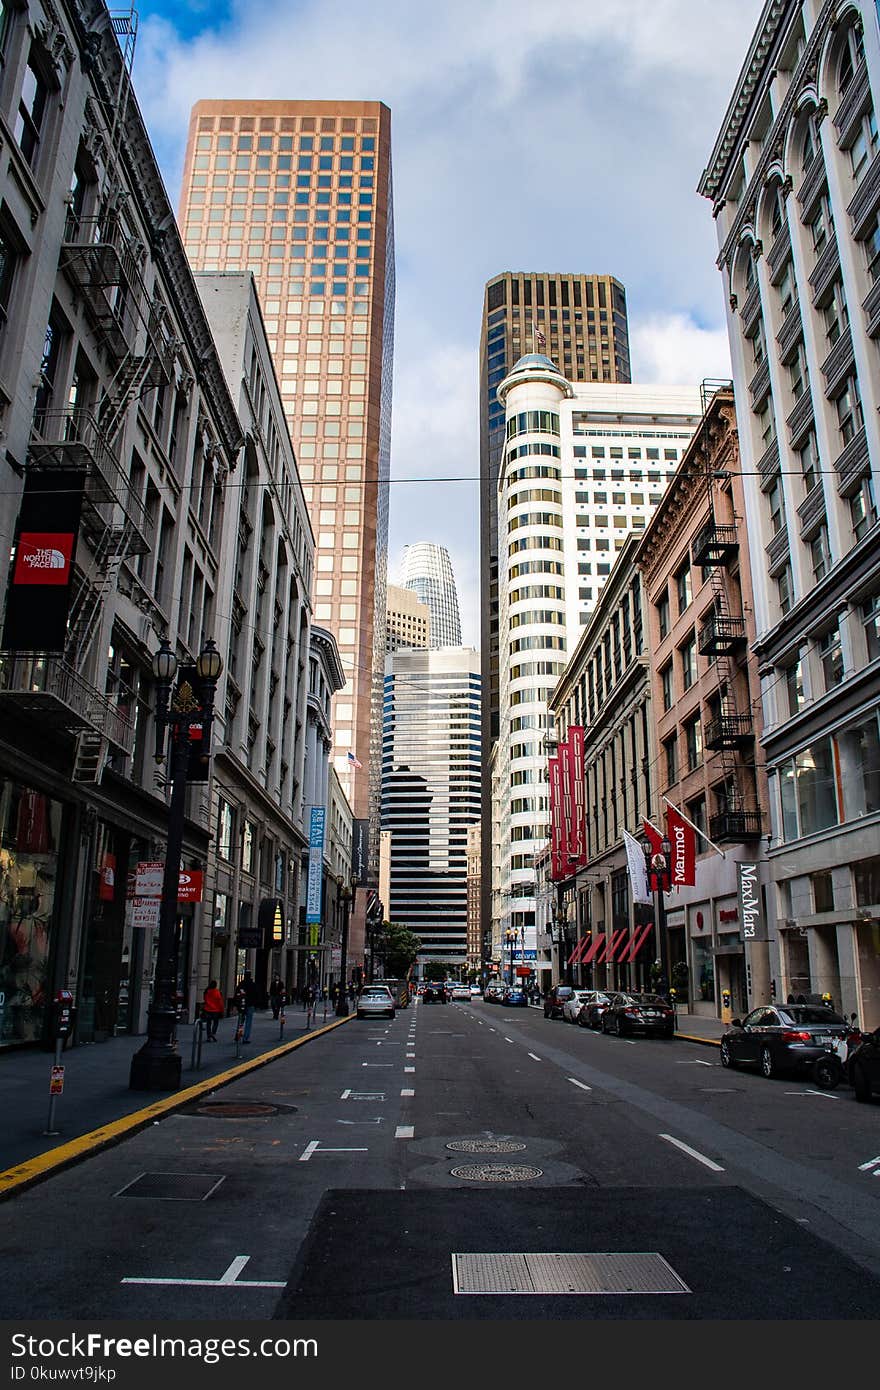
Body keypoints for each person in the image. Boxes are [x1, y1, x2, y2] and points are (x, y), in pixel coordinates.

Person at [237, 970, 260, 1042]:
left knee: (240, 1020)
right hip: (250, 1005)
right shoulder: (253, 984)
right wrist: (255, 1003)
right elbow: (256, 995)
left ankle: (238, 1035)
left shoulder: (241, 984)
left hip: (242, 1005)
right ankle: (245, 1038)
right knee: (248, 1022)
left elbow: (237, 993)